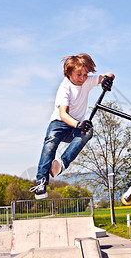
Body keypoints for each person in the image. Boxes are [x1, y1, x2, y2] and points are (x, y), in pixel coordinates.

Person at [30, 53, 115, 199]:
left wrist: (108, 79)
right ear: (69, 73)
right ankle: (41, 181)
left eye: (85, 74)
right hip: (60, 123)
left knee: (88, 132)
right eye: (78, 75)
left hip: (75, 127)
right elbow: (63, 114)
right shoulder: (64, 88)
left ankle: (62, 164)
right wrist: (78, 124)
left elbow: (109, 74)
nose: (82, 78)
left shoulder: (87, 81)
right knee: (51, 142)